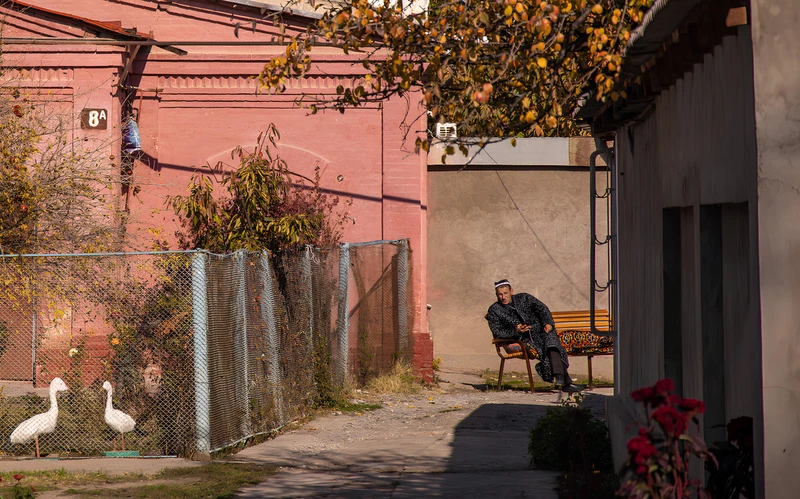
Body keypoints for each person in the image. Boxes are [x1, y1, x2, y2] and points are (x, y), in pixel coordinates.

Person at [486, 279, 584, 393]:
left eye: (505, 293)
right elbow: (497, 331)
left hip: (540, 331)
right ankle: (564, 380)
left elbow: (542, 309)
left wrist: (548, 323)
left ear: (511, 291)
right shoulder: (494, 310)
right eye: (500, 294)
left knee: (550, 338)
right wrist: (516, 330)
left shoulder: (524, 298)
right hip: (522, 339)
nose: (503, 297)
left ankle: (560, 377)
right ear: (496, 295)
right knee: (549, 345)